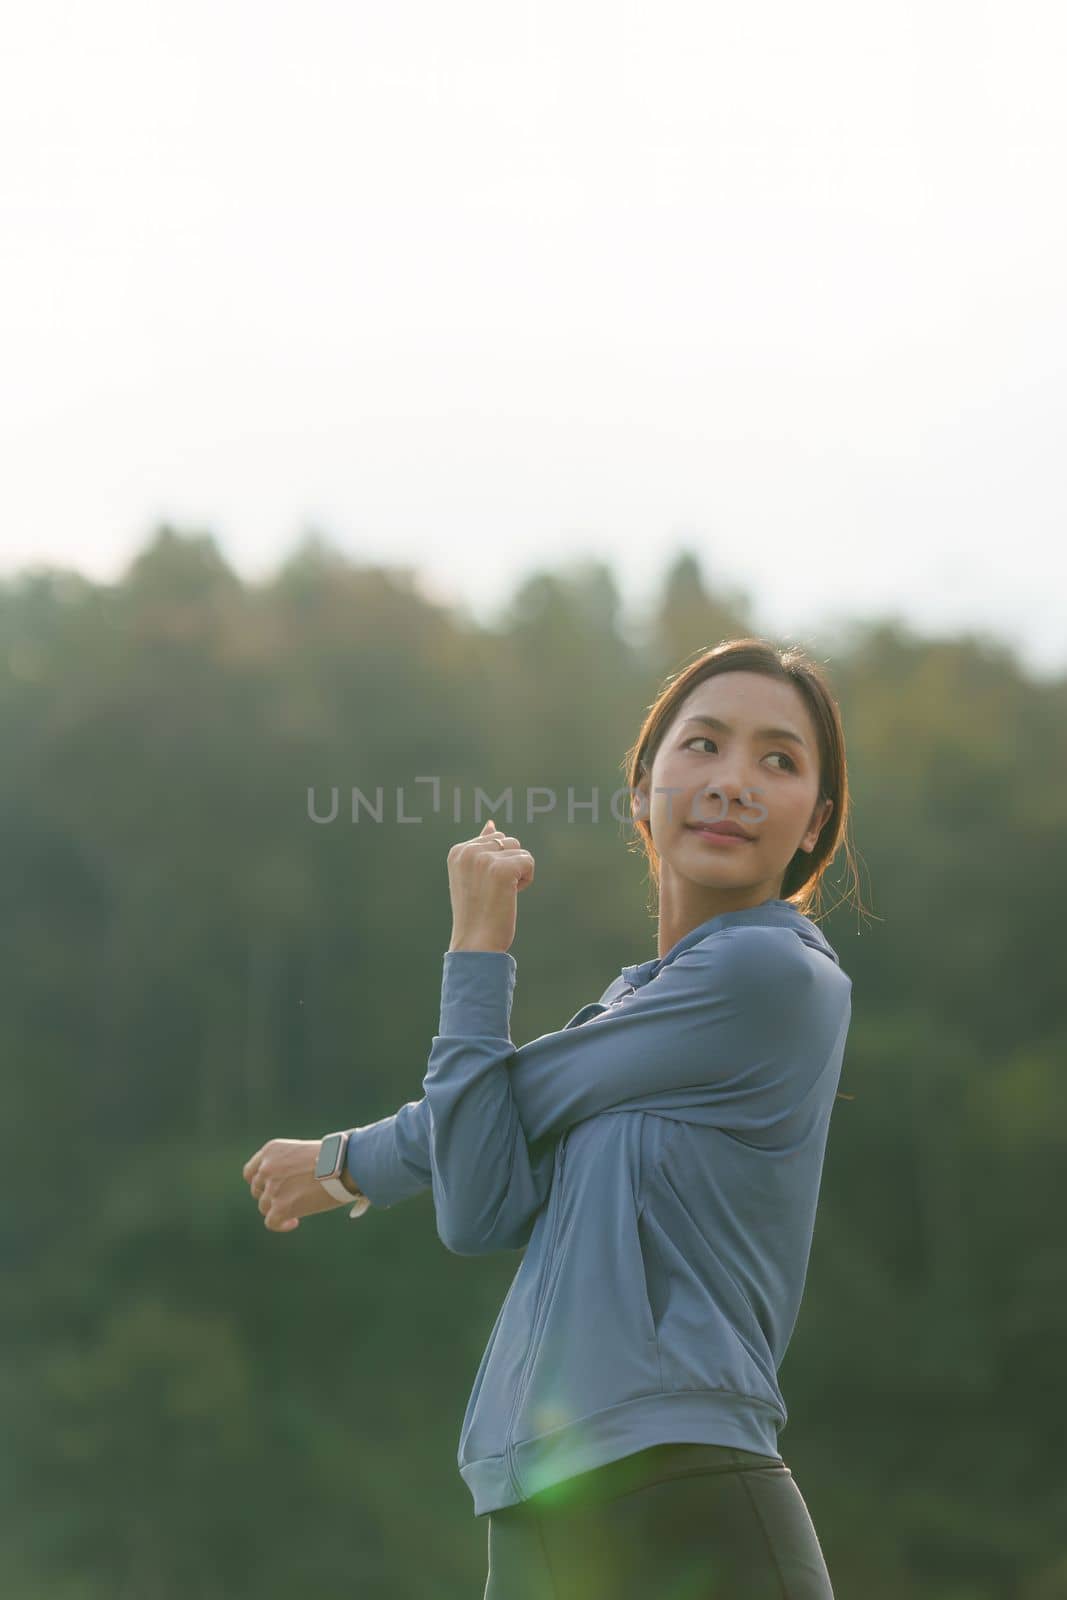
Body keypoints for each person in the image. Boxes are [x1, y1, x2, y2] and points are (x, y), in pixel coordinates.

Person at [244, 637, 864, 1597]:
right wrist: (352, 1158)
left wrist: (349, 1156)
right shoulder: (635, 1003)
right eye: (703, 744)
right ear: (641, 788)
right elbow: (478, 1201)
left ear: (813, 822)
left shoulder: (769, 974)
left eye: (777, 760)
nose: (736, 780)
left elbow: (506, 1100)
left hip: (685, 1488)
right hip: (535, 1501)